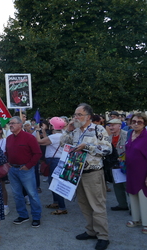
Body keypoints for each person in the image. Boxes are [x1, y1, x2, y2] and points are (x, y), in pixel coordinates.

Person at [62, 103, 111, 250]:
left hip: (93, 173)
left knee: (97, 206)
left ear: (88, 117)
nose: (75, 117)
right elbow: (62, 143)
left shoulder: (98, 129)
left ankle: (103, 236)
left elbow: (107, 150)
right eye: (75, 115)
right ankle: (91, 231)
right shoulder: (75, 131)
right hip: (77, 173)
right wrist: (68, 130)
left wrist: (87, 146)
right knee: (84, 205)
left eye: (79, 115)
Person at [6, 116, 42, 228]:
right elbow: (7, 152)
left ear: (20, 124)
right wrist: (7, 162)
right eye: (10, 123)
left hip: (26, 170)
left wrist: (28, 166)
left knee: (32, 194)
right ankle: (23, 215)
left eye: (13, 123)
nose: (11, 125)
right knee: (17, 195)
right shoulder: (9, 138)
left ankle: (36, 217)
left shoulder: (29, 137)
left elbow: (37, 154)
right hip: (12, 170)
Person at [125, 113, 147, 234]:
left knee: (144, 196)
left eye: (139, 122)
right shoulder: (130, 134)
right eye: (133, 121)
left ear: (144, 123)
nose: (136, 124)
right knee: (132, 194)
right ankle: (136, 219)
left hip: (143, 171)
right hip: (131, 171)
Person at [36, 117, 67, 215]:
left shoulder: (54, 137)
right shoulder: (62, 135)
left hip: (54, 161)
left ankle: (62, 207)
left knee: (55, 183)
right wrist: (44, 131)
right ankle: (56, 202)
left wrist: (37, 130)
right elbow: (47, 140)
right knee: (52, 182)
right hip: (58, 160)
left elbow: (39, 141)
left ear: (53, 126)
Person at [106, 119, 129, 211]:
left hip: (125, 164)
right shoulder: (108, 138)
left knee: (127, 185)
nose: (110, 127)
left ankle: (133, 207)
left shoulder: (127, 135)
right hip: (114, 165)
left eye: (113, 125)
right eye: (110, 125)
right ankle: (122, 204)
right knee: (117, 185)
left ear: (119, 126)